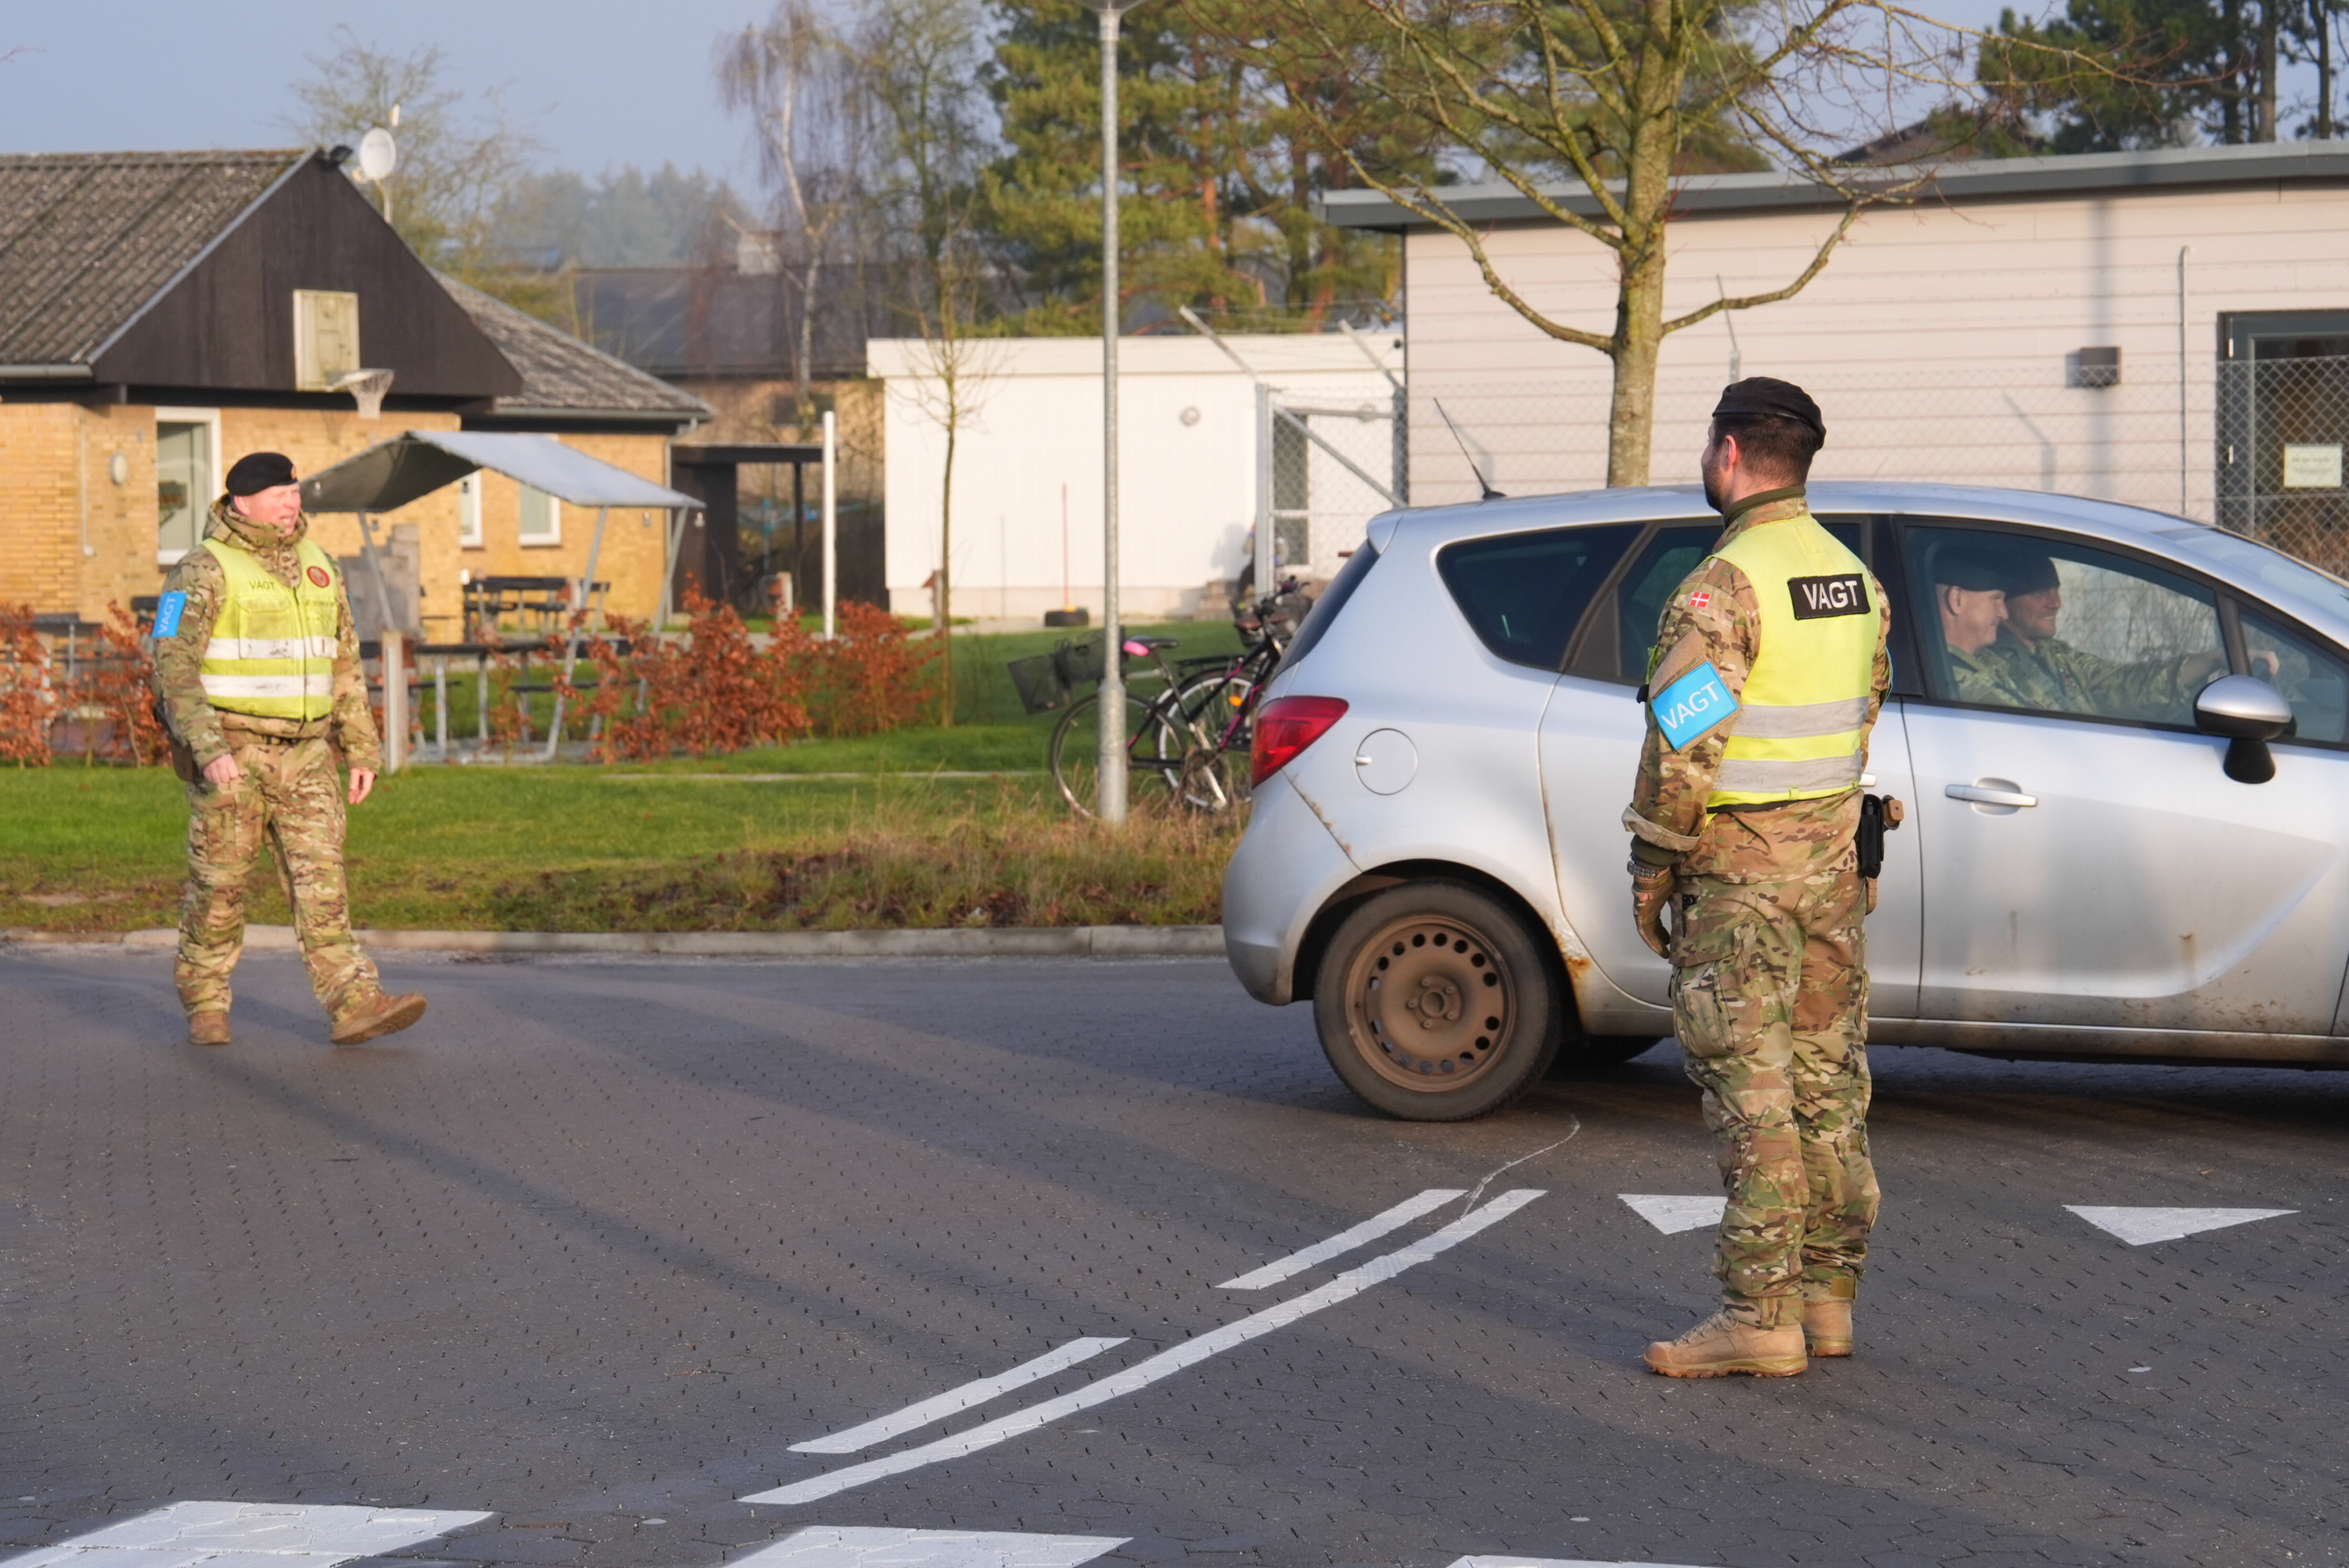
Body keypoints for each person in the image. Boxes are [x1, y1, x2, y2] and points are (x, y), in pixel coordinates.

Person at [1623, 377, 1890, 1379]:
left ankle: (1757, 1315)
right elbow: (1860, 715)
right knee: (1827, 1085)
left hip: (1740, 881)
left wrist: (1652, 865)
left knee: (1754, 1093)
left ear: (1727, 453)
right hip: (1829, 870)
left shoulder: (1720, 588)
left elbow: (1682, 744)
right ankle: (1825, 1299)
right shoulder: (1853, 579)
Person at [150, 452, 428, 1048]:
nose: (291, 503)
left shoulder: (320, 566)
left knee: (323, 885)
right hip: (234, 757)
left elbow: (344, 664)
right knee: (220, 889)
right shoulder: (200, 569)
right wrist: (208, 749)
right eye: (280, 494)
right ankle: (204, 1000)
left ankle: (355, 1003)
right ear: (242, 501)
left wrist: (361, 749)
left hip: (307, 757)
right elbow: (172, 667)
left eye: (296, 492)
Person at [1986, 549, 2244, 721]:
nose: (2056, 603)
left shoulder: (2054, 654)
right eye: (2039, 593)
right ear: (2004, 602)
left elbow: (2124, 683)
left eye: (2056, 590)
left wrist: (2214, 659)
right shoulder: (1991, 664)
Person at [1931, 549, 2034, 707]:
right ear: (1957, 599)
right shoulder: (1952, 681)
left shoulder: (1990, 663)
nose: (2004, 614)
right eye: (1996, 599)